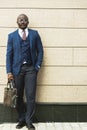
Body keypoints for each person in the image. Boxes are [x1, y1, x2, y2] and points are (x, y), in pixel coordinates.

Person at [6, 14, 43, 130]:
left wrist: (37, 66)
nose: (23, 21)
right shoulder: (11, 36)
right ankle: (21, 119)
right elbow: (9, 55)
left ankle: (29, 120)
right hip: (17, 70)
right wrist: (9, 72)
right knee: (18, 96)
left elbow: (40, 51)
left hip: (31, 69)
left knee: (31, 96)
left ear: (28, 22)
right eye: (20, 20)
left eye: (25, 20)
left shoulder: (34, 34)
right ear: (17, 22)